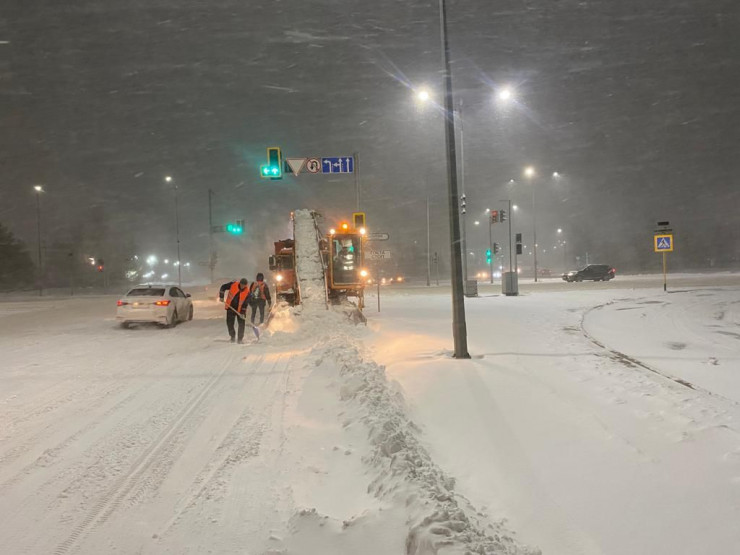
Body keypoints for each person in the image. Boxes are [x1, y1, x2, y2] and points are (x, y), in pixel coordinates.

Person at [218, 278, 250, 343]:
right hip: (230, 307)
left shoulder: (247, 292)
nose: (242, 286)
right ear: (240, 283)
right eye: (241, 284)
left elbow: (245, 303)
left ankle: (240, 339)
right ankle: (232, 336)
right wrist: (221, 296)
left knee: (241, 324)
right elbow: (223, 287)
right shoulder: (233, 285)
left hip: (240, 310)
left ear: (246, 285)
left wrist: (242, 312)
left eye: (244, 285)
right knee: (229, 323)